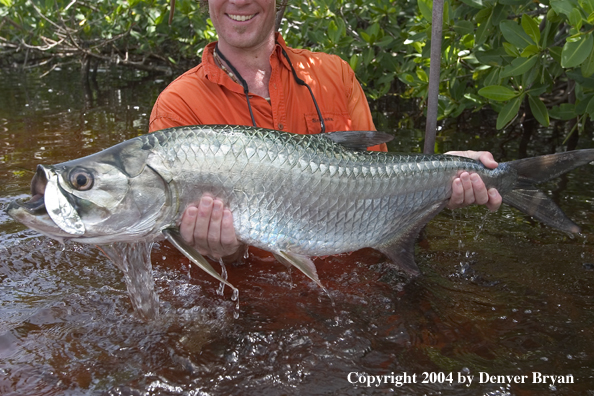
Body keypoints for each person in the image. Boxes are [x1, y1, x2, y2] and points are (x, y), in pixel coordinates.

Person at [149, 0, 502, 262]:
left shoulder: (334, 74)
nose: (239, 2)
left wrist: (446, 173)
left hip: (355, 296)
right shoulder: (178, 105)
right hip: (251, 309)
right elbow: (178, 253)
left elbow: (380, 183)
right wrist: (225, 254)